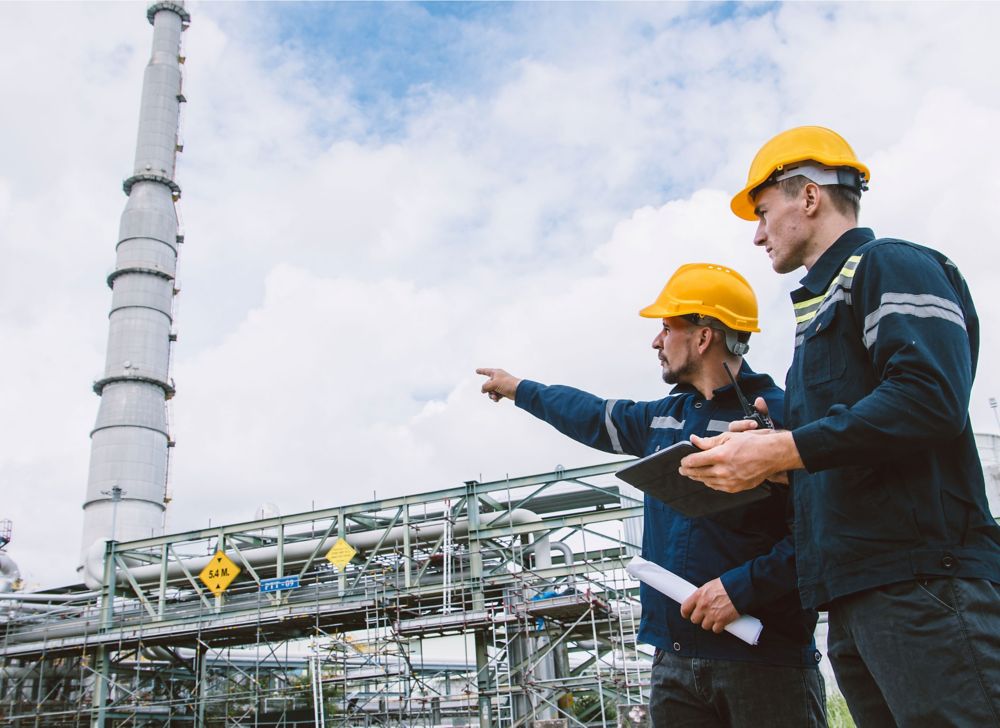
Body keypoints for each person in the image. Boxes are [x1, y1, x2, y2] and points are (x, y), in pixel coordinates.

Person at [680, 126, 1000, 726]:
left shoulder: (892, 265)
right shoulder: (819, 313)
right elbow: (847, 444)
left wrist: (787, 447)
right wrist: (768, 452)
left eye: (763, 211)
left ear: (807, 197)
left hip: (922, 584)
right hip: (854, 595)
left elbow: (929, 399)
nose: (756, 234)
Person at [477, 263, 826, 728]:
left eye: (666, 327)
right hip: (674, 663)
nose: (656, 341)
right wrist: (520, 389)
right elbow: (591, 414)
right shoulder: (663, 420)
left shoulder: (779, 421)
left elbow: (821, 532)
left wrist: (743, 590)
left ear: (704, 338)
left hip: (764, 662)